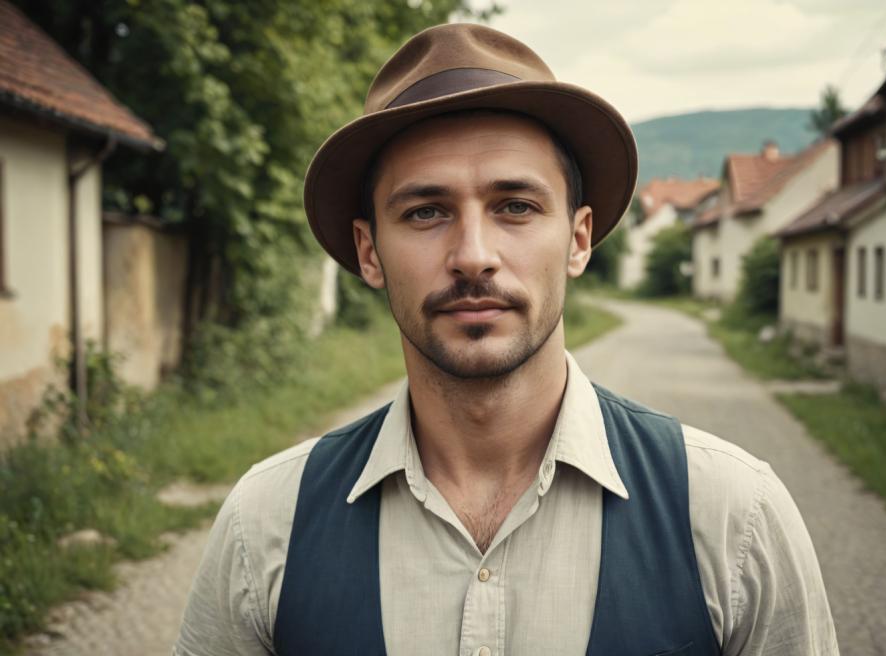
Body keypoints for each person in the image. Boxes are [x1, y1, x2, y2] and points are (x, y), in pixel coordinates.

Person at [174, 23, 839, 656]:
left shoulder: (733, 515)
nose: (473, 255)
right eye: (426, 211)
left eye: (515, 206)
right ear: (368, 251)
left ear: (578, 240)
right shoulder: (266, 524)